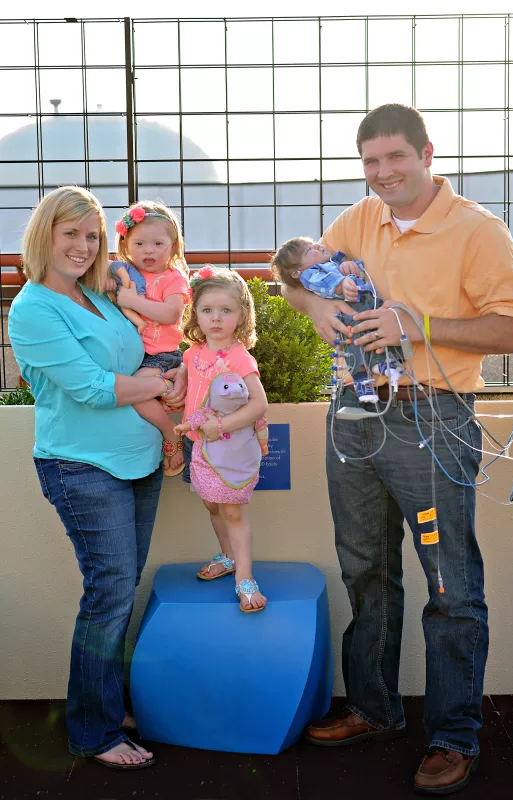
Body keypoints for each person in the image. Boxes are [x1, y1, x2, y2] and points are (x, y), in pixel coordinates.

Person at [281, 104, 513, 794]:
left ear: (427, 153)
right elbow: (295, 277)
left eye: (395, 157)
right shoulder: (359, 218)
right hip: (352, 414)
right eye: (371, 162)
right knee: (364, 567)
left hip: (432, 418)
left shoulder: (478, 230)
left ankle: (453, 736)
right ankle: (373, 708)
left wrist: (414, 324)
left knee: (449, 583)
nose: (383, 173)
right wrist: (316, 307)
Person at [8, 186, 187, 769]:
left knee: (120, 590)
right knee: (108, 594)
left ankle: (104, 702)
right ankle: (94, 731)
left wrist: (177, 380)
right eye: (71, 233)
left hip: (139, 460)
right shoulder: (33, 308)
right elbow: (91, 387)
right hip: (83, 466)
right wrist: (159, 385)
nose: (83, 246)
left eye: (92, 235)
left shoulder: (98, 296)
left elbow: (140, 357)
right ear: (45, 235)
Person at [174, 266, 269, 613]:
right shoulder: (193, 352)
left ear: (241, 314)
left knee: (232, 510)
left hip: (228, 447)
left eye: (226, 310)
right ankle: (228, 556)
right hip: (197, 444)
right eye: (207, 310)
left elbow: (259, 404)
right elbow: (187, 371)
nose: (216, 318)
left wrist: (222, 425)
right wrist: (178, 379)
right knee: (211, 504)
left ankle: (245, 577)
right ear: (195, 314)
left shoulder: (239, 357)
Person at [110, 201, 192, 476]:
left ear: (173, 246)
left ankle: (170, 432)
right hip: (132, 356)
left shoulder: (173, 278)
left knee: (135, 392)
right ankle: (165, 396)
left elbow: (171, 313)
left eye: (158, 244)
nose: (149, 250)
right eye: (140, 243)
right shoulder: (125, 274)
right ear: (125, 244)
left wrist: (133, 300)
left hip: (160, 356)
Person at [270, 237, 404, 402]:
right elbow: (325, 283)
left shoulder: (332, 263)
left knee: (376, 332)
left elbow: (356, 271)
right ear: (298, 272)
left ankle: (383, 363)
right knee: (356, 341)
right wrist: (342, 284)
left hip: (365, 305)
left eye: (313, 243)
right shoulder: (311, 275)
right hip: (347, 314)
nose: (317, 246)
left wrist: (350, 267)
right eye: (309, 250)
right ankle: (368, 375)